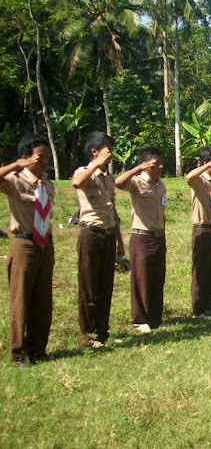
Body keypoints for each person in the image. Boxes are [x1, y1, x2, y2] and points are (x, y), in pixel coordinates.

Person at [0, 134, 54, 367]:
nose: (44, 162)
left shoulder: (48, 185)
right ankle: (18, 352)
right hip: (24, 244)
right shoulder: (15, 181)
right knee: (21, 300)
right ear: (25, 158)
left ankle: (38, 347)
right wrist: (14, 166)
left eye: (46, 158)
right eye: (39, 157)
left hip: (45, 245)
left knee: (43, 299)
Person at [72, 131, 123, 348]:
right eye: (107, 150)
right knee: (89, 286)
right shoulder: (85, 172)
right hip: (91, 234)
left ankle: (103, 330)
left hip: (109, 235)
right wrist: (95, 164)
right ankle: (89, 333)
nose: (110, 154)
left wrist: (120, 242)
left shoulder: (109, 179)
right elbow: (76, 183)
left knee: (105, 285)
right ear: (95, 151)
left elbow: (114, 211)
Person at [115, 148, 167, 334]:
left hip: (159, 236)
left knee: (157, 278)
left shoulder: (161, 185)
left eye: (161, 162)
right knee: (141, 279)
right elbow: (118, 183)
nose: (160, 167)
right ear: (145, 164)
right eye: (155, 164)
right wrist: (139, 168)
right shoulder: (136, 182)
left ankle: (155, 317)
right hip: (142, 237)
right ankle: (140, 319)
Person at [185, 146, 211, 320]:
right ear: (205, 163)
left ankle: (210, 306)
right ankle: (199, 309)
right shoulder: (199, 180)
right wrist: (205, 166)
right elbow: (189, 177)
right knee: (201, 270)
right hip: (202, 230)